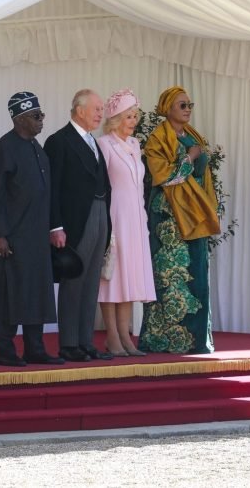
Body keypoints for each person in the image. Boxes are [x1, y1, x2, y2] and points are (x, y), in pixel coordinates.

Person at [139, 86, 219, 354]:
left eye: (189, 105)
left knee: (196, 272)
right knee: (170, 276)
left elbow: (203, 176)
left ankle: (196, 339)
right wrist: (190, 157)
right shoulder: (157, 139)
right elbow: (163, 177)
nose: (187, 110)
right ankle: (164, 339)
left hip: (194, 213)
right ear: (168, 108)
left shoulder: (193, 135)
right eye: (182, 105)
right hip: (169, 217)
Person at [0, 92, 63, 367]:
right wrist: (0, 234)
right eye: (36, 116)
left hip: (36, 236)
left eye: (42, 115)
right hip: (12, 236)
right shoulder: (5, 148)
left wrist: (54, 228)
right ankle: (6, 352)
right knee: (10, 293)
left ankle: (35, 349)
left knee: (36, 292)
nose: (42, 120)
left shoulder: (36, 148)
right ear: (19, 119)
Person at [45, 89, 114, 362]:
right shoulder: (59, 141)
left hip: (98, 215)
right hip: (75, 220)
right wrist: (55, 227)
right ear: (79, 109)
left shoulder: (92, 141)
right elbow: (52, 189)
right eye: (97, 109)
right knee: (74, 281)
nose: (101, 114)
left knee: (91, 284)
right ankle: (69, 343)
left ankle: (85, 341)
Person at [96, 89, 156, 357]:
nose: (134, 121)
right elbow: (101, 185)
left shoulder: (134, 145)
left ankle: (126, 337)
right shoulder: (104, 144)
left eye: (135, 116)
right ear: (116, 118)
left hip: (135, 217)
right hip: (115, 215)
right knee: (112, 276)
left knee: (129, 277)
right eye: (129, 116)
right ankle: (113, 336)